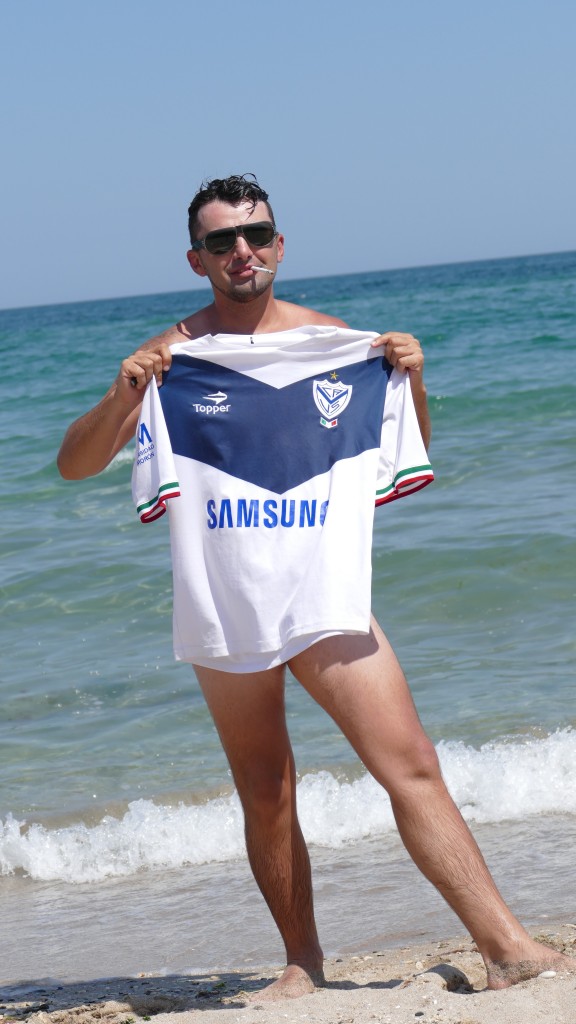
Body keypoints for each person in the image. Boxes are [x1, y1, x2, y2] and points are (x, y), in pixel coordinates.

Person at [57, 173, 572, 1001]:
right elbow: (75, 463)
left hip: (326, 596)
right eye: (222, 242)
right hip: (223, 605)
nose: (242, 252)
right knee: (265, 788)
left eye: (255, 234)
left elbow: (402, 458)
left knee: (411, 765)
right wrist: (123, 391)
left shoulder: (339, 342)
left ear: (280, 244)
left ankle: (506, 946)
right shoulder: (168, 360)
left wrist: (411, 380)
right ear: (198, 259)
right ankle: (303, 964)